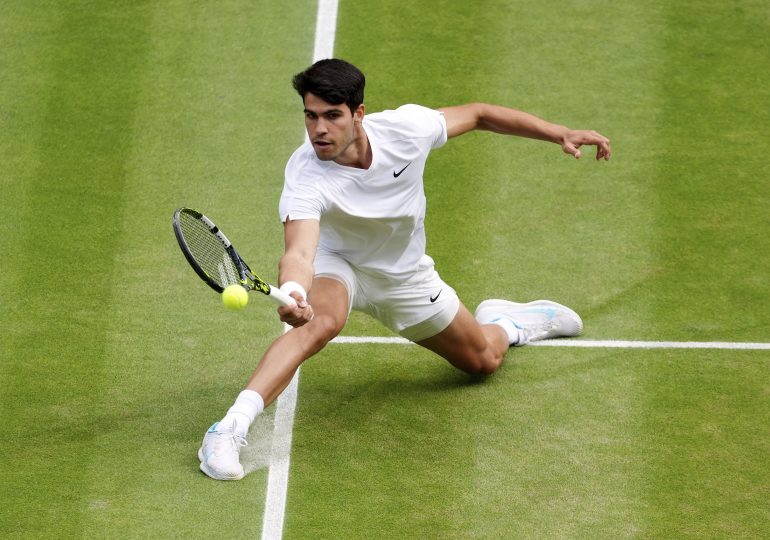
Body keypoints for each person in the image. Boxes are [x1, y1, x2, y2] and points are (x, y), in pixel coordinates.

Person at [198, 58, 611, 480]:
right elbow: (301, 251)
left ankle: (508, 323)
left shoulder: (405, 130)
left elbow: (480, 114)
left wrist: (558, 132)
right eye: (310, 115)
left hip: (403, 274)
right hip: (338, 264)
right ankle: (228, 429)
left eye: (332, 116)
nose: (319, 129)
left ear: (359, 114)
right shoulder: (306, 177)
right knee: (318, 324)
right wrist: (296, 291)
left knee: (483, 361)